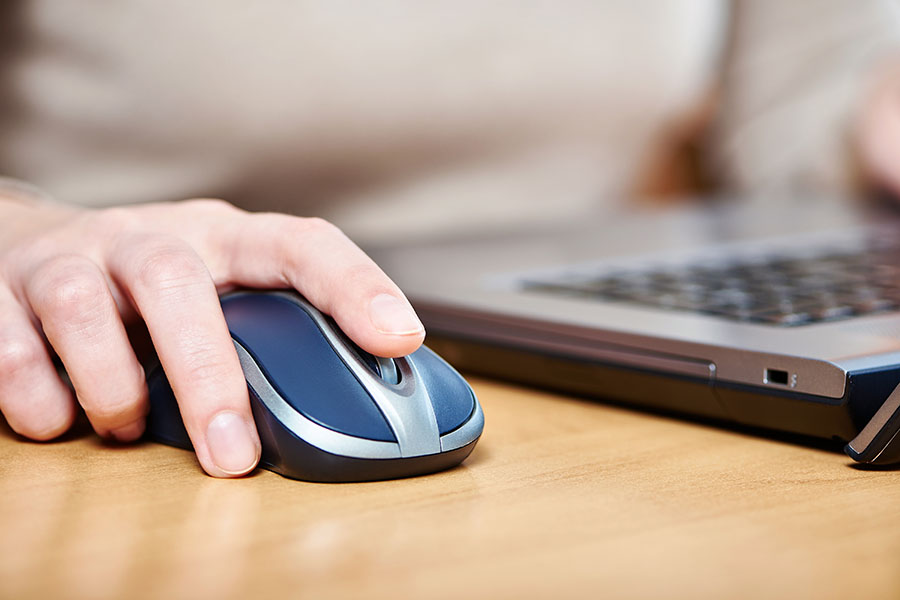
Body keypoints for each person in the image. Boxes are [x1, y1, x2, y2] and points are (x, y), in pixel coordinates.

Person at [1, 0, 899, 478]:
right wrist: (22, 225)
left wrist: (873, 117)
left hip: (592, 305)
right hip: (131, 320)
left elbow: (802, 107)